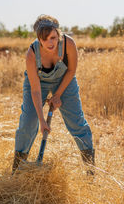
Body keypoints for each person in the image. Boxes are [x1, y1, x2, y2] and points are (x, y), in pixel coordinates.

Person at [12, 14, 95, 175]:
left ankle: (91, 170)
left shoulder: (68, 44)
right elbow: (35, 90)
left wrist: (57, 95)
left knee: (76, 121)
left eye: (53, 37)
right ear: (38, 39)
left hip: (65, 79)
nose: (50, 43)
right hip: (38, 83)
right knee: (28, 121)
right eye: (44, 39)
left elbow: (71, 70)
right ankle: (17, 171)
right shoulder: (31, 54)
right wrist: (42, 121)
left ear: (58, 34)